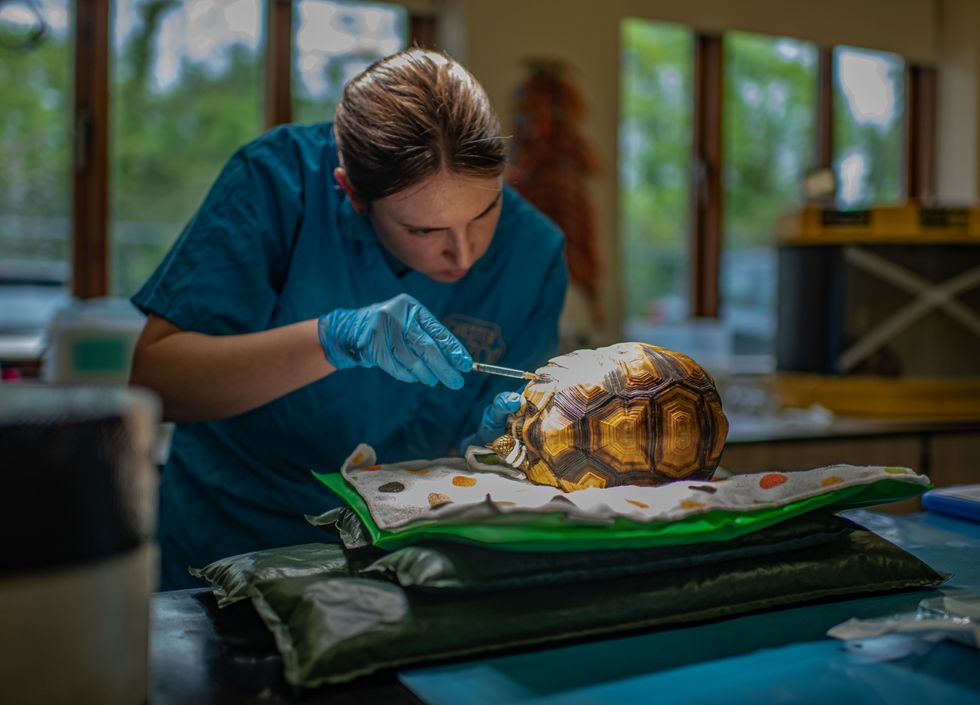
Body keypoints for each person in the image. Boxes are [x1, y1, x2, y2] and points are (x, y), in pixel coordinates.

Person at [129, 48, 569, 590]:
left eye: (484, 213)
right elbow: (157, 381)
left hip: (412, 560)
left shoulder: (536, 252)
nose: (465, 254)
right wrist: (332, 340)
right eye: (424, 231)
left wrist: (505, 442)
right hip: (236, 547)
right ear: (352, 192)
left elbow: (500, 448)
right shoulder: (275, 183)